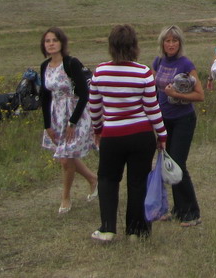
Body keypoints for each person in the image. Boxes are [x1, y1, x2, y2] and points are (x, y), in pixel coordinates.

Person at [89, 24, 167, 242]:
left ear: (111, 46)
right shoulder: (143, 72)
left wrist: (98, 130)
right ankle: (136, 230)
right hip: (141, 135)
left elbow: (94, 107)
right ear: (134, 46)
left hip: (112, 135)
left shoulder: (100, 72)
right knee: (138, 182)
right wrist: (162, 135)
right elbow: (152, 108)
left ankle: (107, 228)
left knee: (107, 179)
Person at [39, 28, 97, 214]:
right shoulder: (44, 66)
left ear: (62, 43)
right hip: (56, 115)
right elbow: (45, 97)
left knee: (65, 159)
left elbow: (84, 94)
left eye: (54, 40)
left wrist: (73, 122)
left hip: (75, 114)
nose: (51, 44)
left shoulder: (71, 63)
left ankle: (65, 197)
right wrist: (47, 125)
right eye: (47, 41)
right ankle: (93, 179)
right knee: (66, 155)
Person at [152, 26, 203, 227]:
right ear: (162, 43)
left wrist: (176, 94)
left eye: (175, 41)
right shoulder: (158, 62)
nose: (171, 44)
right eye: (168, 41)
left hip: (183, 119)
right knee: (168, 163)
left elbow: (199, 95)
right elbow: (153, 90)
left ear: (180, 43)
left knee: (178, 164)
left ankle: (192, 213)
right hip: (164, 120)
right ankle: (179, 209)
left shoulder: (186, 64)